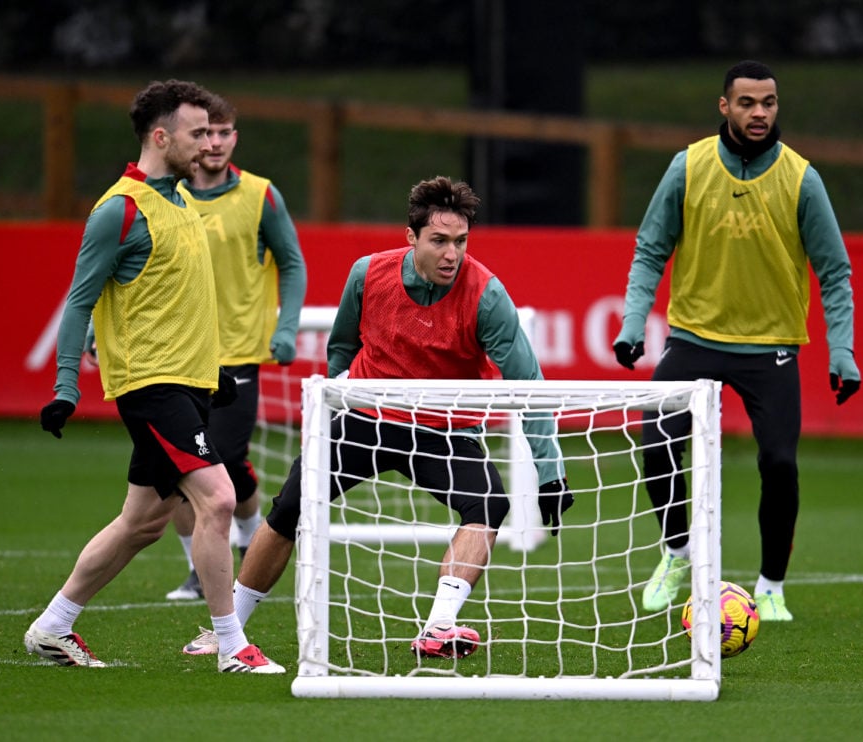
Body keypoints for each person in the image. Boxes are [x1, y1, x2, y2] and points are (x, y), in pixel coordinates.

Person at [181, 175, 574, 661]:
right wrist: (330, 408)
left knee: (490, 503)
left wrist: (550, 471)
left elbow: (528, 384)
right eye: (439, 241)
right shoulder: (367, 273)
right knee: (289, 511)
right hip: (365, 417)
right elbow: (342, 344)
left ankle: (439, 627)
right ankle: (228, 631)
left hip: (441, 427)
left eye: (461, 241)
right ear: (411, 238)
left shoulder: (486, 295)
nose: (452, 254)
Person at [26, 79, 283, 673]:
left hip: (189, 385)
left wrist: (213, 369)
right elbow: (79, 301)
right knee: (218, 499)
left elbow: (180, 301)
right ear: (161, 136)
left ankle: (52, 626)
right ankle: (231, 645)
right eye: (197, 133)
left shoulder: (182, 203)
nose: (209, 144)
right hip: (151, 386)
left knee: (141, 523)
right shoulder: (119, 209)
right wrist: (67, 383)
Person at [612, 60, 861, 622]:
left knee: (779, 464)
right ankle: (678, 555)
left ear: (777, 107)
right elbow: (651, 249)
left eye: (768, 103)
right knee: (656, 445)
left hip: (770, 347)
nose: (759, 113)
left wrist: (841, 350)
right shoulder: (688, 166)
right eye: (747, 102)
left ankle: (771, 585)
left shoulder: (802, 178)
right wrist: (634, 322)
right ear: (724, 107)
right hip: (694, 338)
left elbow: (835, 271)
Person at [164, 93, 307, 602]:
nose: (215, 143)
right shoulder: (164, 195)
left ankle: (246, 542)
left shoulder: (260, 195)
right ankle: (198, 572)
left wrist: (285, 327)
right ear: (190, 139)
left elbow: (292, 262)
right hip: (176, 353)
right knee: (175, 466)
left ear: (235, 138)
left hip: (238, 352)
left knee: (220, 457)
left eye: (225, 133)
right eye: (206, 133)